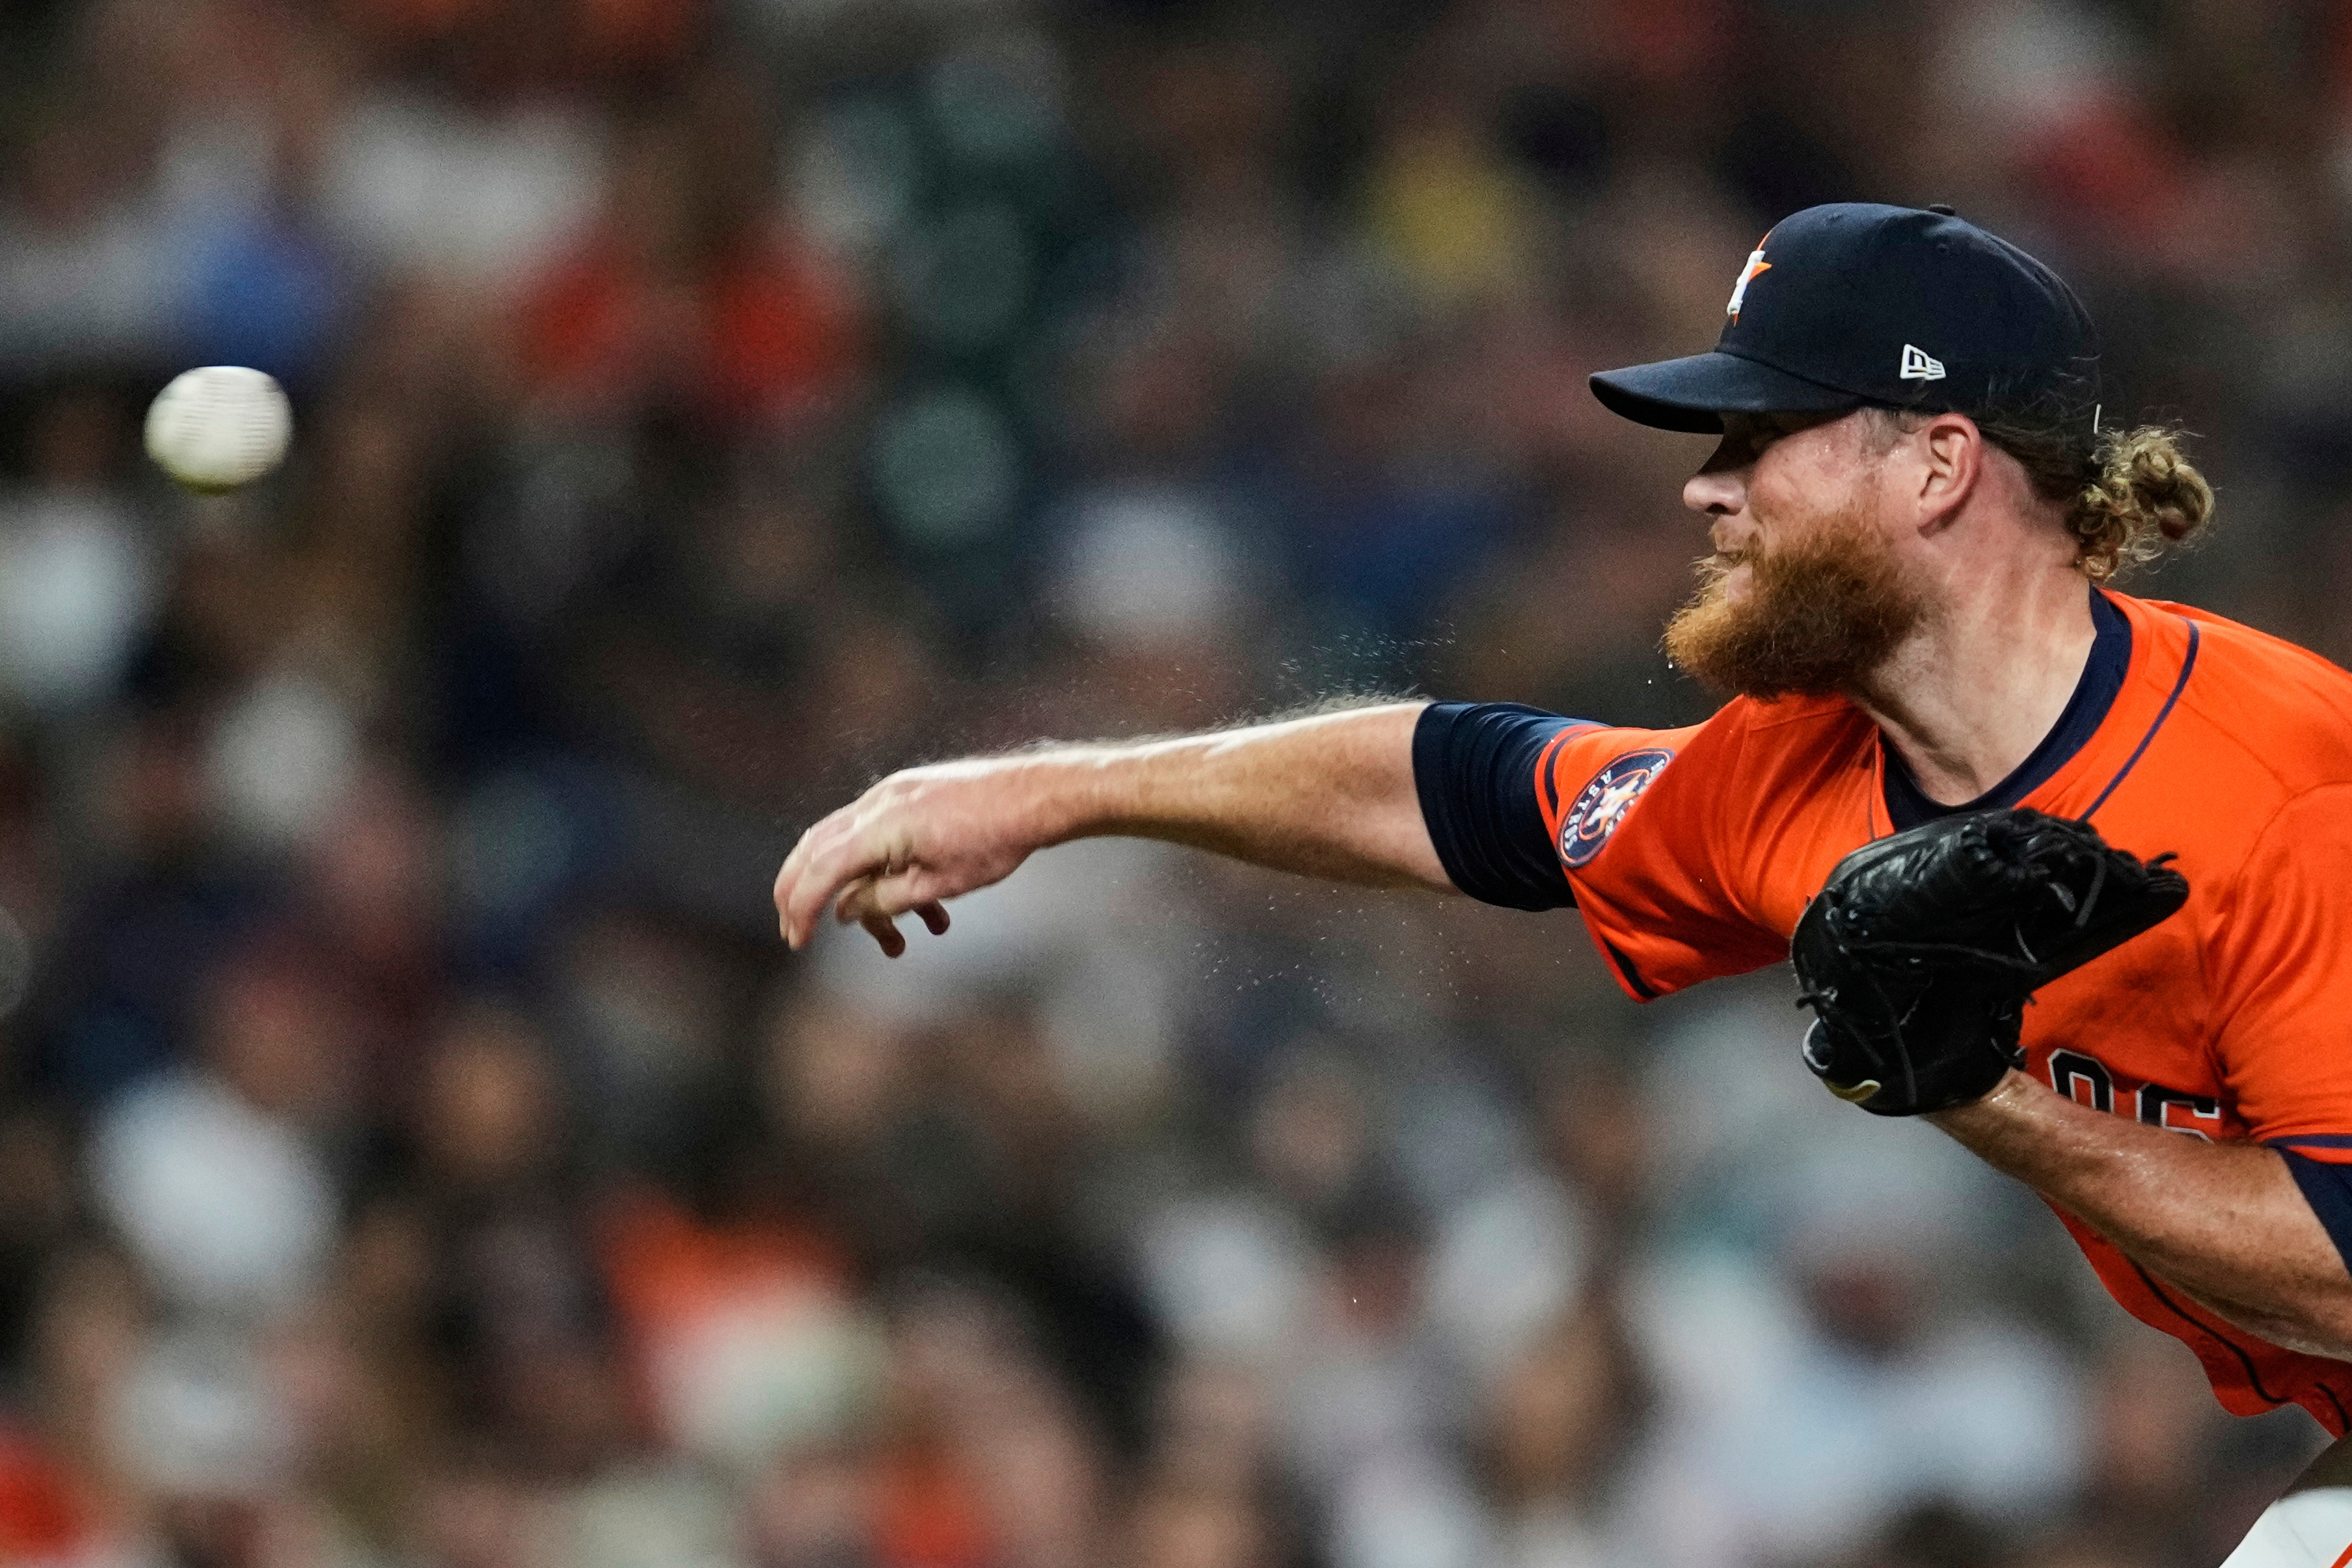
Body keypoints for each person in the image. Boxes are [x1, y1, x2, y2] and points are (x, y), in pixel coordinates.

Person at [774, 202, 2352, 1563]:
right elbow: (1453, 784)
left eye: (1758, 434)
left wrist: (1978, 1090)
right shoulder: (1789, 774)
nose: (1704, 485)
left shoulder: (2286, 787)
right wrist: (1052, 789)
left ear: (1938, 462)